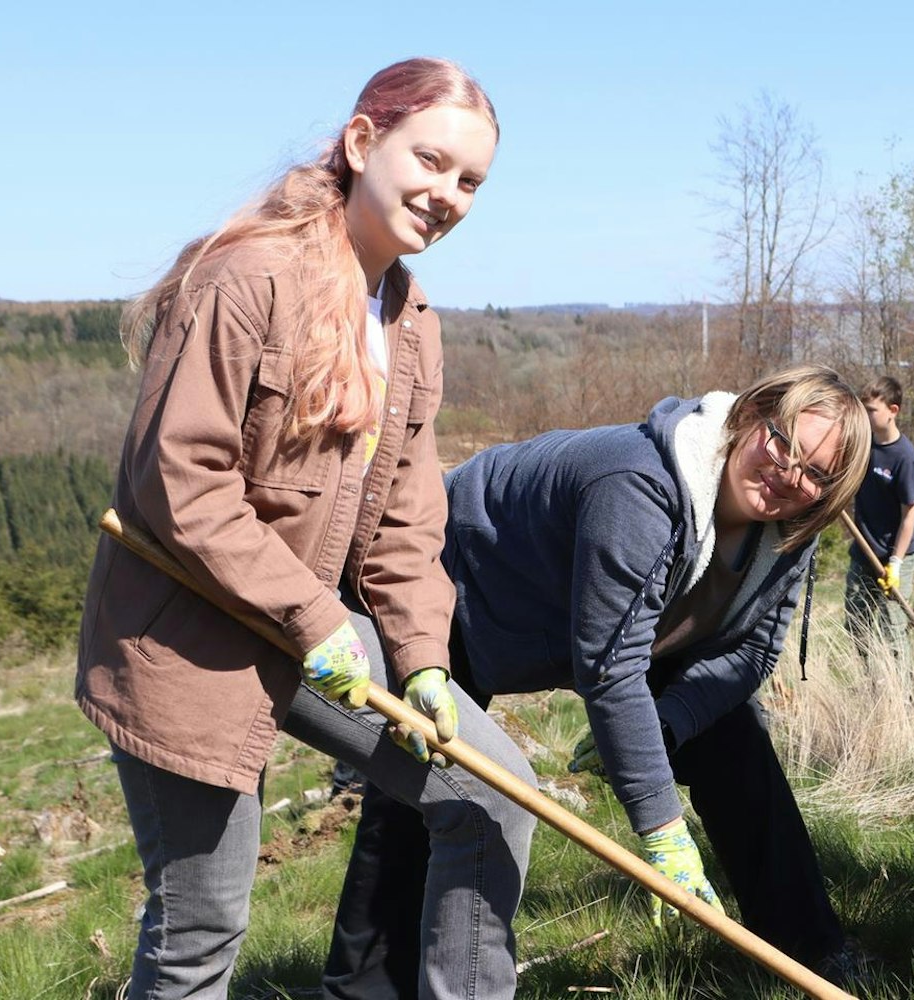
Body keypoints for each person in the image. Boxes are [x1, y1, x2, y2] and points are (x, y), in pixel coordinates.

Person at [76, 59, 503, 999]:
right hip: (184, 631)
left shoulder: (409, 319)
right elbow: (181, 483)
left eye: (470, 181)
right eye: (430, 161)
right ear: (361, 143)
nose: (447, 195)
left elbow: (406, 519)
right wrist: (311, 620)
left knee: (492, 790)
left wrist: (423, 657)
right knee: (201, 926)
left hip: (303, 626)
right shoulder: (245, 279)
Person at [323, 365, 873, 997]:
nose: (788, 475)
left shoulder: (787, 532)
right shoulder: (640, 481)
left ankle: (810, 952)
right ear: (751, 416)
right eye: (784, 444)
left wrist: (670, 724)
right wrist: (663, 831)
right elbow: (611, 670)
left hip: (617, 623)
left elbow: (751, 654)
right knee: (426, 780)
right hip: (462, 584)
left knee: (736, 739)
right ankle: (364, 989)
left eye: (816, 475)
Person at [843, 375, 914, 666]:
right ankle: (872, 685)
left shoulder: (905, 457)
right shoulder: (862, 446)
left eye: (872, 410)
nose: (865, 415)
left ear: (893, 411)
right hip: (864, 551)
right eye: (863, 409)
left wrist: (896, 563)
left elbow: (909, 514)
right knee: (856, 623)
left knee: (892, 629)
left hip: (897, 554)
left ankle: (899, 698)